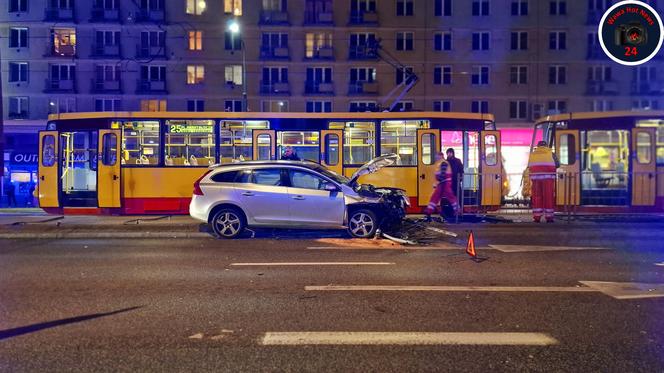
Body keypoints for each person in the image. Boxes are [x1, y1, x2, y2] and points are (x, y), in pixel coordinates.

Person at [527, 141, 557, 223]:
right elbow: (557, 164)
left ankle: (537, 217)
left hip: (536, 178)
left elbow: (529, 165)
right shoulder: (551, 153)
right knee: (548, 197)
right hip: (548, 178)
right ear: (546, 146)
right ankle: (549, 217)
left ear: (538, 146)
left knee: (537, 197)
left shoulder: (533, 154)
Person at [424, 152, 459, 221]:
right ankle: (429, 210)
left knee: (438, 197)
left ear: (441, 156)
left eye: (437, 156)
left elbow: (442, 175)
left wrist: (438, 183)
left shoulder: (443, 163)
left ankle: (429, 211)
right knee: (439, 197)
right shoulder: (441, 163)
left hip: (444, 183)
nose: (435, 157)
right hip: (444, 183)